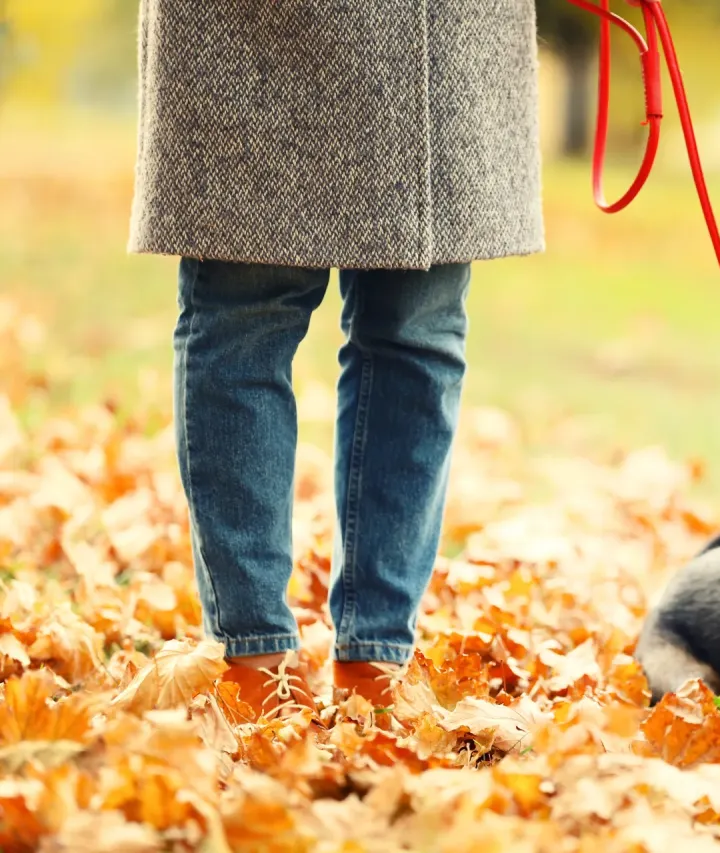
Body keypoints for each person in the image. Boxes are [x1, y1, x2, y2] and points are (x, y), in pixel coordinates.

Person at [128, 1, 543, 719]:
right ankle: (249, 655)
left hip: (442, 28)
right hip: (241, 31)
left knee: (414, 327)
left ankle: (374, 660)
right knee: (245, 314)